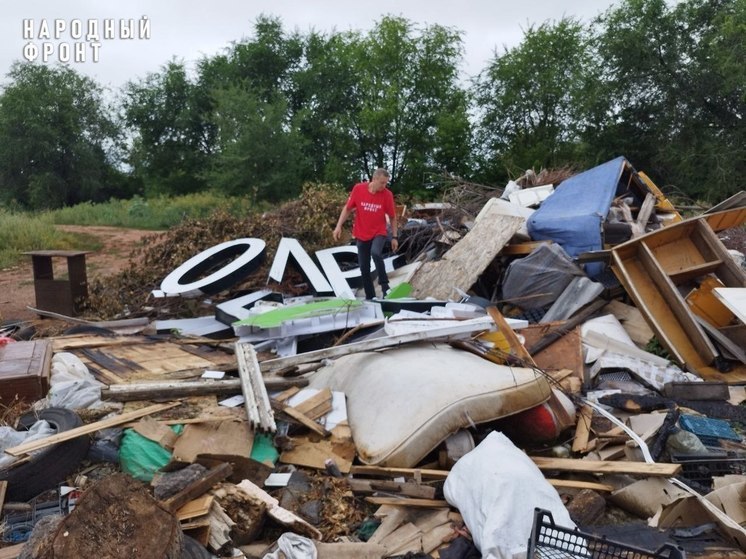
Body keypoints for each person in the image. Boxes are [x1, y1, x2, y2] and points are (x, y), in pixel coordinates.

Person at [333, 168, 398, 299]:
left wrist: (395, 237)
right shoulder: (358, 189)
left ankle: (385, 287)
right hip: (361, 234)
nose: (384, 186)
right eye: (382, 183)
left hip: (379, 232)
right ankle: (370, 297)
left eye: (386, 183)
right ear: (374, 180)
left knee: (375, 253)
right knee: (364, 267)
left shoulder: (387, 195)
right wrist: (338, 226)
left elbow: (392, 216)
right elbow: (348, 208)